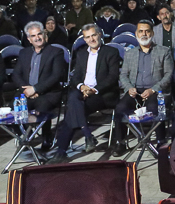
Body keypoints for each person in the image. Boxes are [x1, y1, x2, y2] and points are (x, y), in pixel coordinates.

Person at [48, 24, 120, 164]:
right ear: (84, 39)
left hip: (103, 94)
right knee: (74, 100)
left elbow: (112, 77)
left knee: (73, 108)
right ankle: (87, 135)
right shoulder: (81, 54)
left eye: (93, 35)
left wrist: (94, 90)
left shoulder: (111, 52)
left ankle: (61, 151)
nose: (91, 39)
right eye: (87, 37)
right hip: (83, 92)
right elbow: (75, 78)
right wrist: (82, 87)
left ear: (99, 35)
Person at [112, 20, 174, 156]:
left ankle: (160, 141)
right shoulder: (130, 53)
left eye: (147, 31)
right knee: (120, 109)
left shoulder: (164, 51)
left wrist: (153, 89)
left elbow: (169, 75)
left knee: (154, 108)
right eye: (141, 31)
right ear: (136, 34)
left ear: (152, 33)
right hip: (135, 91)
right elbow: (123, 75)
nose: (144, 34)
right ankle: (120, 143)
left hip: (155, 91)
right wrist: (129, 88)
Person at [12, 22, 66, 151]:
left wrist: (35, 89)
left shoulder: (56, 52)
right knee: (13, 109)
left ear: (44, 34)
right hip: (27, 93)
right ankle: (26, 135)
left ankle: (47, 136)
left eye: (39, 34)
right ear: (29, 39)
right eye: (33, 36)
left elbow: (56, 76)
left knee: (42, 106)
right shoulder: (24, 53)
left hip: (49, 93)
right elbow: (16, 74)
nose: (37, 38)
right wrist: (26, 90)